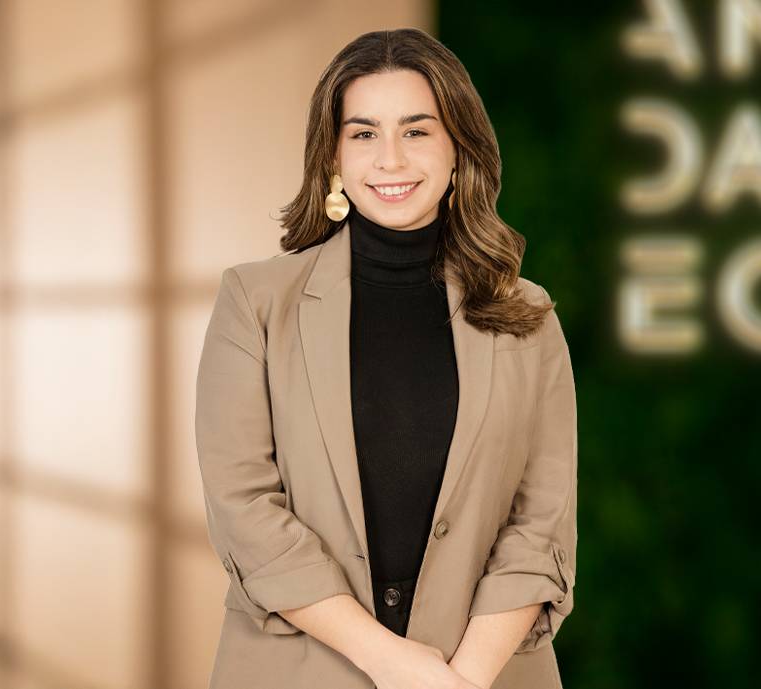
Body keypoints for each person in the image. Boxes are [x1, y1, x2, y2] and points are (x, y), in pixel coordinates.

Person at [195, 28, 577, 689]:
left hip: (485, 671)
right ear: (333, 155)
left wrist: (458, 679)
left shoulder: (527, 314)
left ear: (459, 149)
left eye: (417, 131)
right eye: (363, 132)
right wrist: (392, 662)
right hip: (296, 666)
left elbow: (539, 521)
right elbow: (245, 509)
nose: (390, 158)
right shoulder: (253, 302)